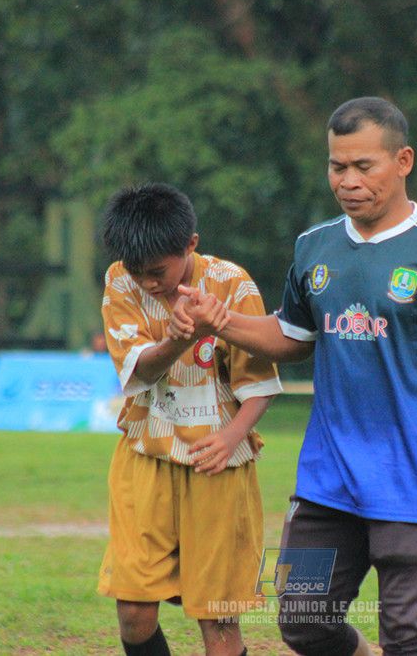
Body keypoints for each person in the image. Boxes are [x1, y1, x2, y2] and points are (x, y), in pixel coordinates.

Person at [171, 97, 417, 656]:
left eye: (362, 166)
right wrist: (220, 322)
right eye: (336, 166)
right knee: (302, 619)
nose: (346, 180)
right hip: (328, 482)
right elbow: (291, 339)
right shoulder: (313, 247)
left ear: (403, 161)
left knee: (409, 637)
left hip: (412, 485)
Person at [96, 183, 282, 656]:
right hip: (145, 459)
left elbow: (259, 381)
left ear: (190, 245)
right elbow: (138, 368)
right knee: (134, 612)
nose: (148, 283)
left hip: (216, 465)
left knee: (218, 623)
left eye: (157, 271)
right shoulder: (120, 282)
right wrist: (181, 336)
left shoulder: (233, 284)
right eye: (138, 272)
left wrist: (233, 435)